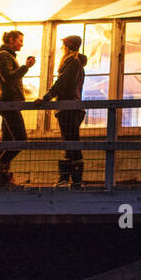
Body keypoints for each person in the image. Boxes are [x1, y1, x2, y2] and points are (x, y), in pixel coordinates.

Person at [0, 30, 34, 187]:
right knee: (21, 140)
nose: (22, 44)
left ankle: (1, 180)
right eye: (19, 40)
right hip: (10, 104)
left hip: (8, 102)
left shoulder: (5, 56)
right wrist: (26, 66)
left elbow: (0, 84)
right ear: (11, 40)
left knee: (7, 141)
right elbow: (9, 77)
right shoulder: (4, 55)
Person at [42, 34, 88, 187]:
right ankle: (71, 180)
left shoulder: (71, 62)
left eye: (64, 45)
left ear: (68, 46)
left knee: (71, 143)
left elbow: (61, 82)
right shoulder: (78, 63)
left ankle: (70, 180)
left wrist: (47, 97)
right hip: (75, 108)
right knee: (71, 142)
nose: (62, 48)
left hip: (68, 109)